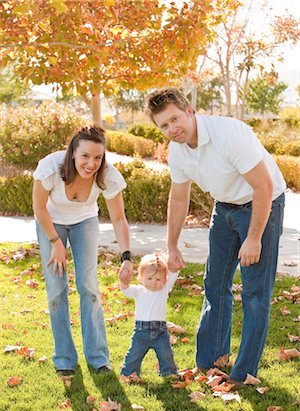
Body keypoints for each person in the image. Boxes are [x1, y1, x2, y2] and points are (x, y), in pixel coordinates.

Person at [145, 87, 286, 384]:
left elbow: (263, 186)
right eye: (164, 126)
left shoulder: (229, 134)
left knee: (254, 292)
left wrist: (253, 237)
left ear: (190, 111)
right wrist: (171, 245)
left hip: (262, 203)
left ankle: (244, 373)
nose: (172, 129)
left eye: (175, 119)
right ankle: (212, 362)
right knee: (215, 282)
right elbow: (179, 198)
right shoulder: (178, 150)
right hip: (224, 207)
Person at [32, 126, 133, 376]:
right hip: (51, 222)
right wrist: (56, 243)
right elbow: (38, 208)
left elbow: (119, 219)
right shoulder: (51, 167)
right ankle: (64, 358)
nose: (91, 163)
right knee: (56, 289)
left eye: (98, 157)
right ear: (73, 152)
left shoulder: (107, 175)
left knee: (89, 287)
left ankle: (98, 358)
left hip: (85, 221)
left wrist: (127, 256)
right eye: (85, 156)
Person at [119, 253, 179, 378]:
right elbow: (126, 290)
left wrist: (175, 266)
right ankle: (129, 373)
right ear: (141, 277)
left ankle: (169, 373)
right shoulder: (139, 290)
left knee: (166, 354)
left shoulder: (164, 289)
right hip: (141, 331)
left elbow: (173, 274)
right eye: (149, 279)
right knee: (134, 354)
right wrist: (124, 281)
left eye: (158, 279)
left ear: (165, 280)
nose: (154, 283)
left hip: (160, 331)